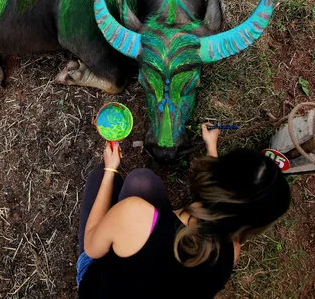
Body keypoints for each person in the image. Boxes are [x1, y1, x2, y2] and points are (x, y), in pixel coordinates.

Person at [77, 123, 291, 298]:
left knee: (106, 178)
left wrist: (110, 169)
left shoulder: (134, 214)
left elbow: (91, 247)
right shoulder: (230, 255)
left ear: (213, 177)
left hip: (100, 290)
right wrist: (211, 149)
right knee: (141, 181)